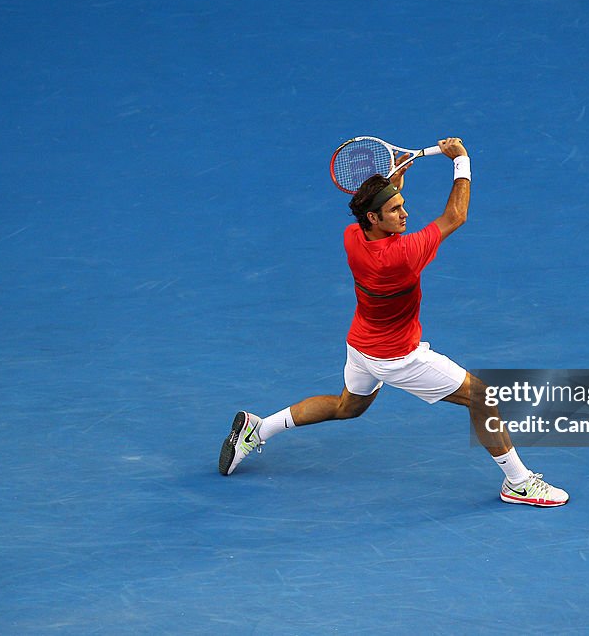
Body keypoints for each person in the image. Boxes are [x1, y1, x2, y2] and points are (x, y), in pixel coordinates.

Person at [218, 137, 569, 507]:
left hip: (360, 346)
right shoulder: (402, 255)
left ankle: (259, 428)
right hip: (397, 358)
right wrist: (461, 161)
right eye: (396, 209)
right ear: (374, 217)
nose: (405, 214)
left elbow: (379, 208)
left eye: (403, 205)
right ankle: (518, 482)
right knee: (481, 397)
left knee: (347, 407)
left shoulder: (353, 236)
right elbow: (456, 216)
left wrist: (394, 181)